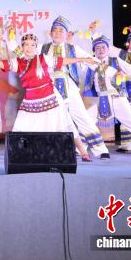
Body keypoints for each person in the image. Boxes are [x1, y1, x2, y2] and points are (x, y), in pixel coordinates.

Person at [0, 30, 95, 161]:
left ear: (36, 47)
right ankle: (20, 158)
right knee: (22, 129)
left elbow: (64, 61)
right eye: (26, 44)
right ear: (22, 47)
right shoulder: (17, 62)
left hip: (50, 98)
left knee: (65, 124)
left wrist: (83, 59)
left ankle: (83, 152)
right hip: (30, 101)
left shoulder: (43, 58)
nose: (29, 48)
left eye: (32, 45)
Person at [41, 16, 110, 159]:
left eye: (61, 30)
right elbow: (24, 54)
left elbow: (91, 60)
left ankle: (100, 149)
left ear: (66, 34)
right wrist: (10, 43)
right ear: (50, 33)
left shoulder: (73, 48)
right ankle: (50, 149)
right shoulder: (42, 48)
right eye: (55, 30)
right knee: (49, 118)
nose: (57, 33)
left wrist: (108, 70)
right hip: (48, 86)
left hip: (68, 85)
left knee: (81, 116)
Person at [82, 35, 131, 156]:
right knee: (87, 121)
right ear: (94, 50)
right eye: (97, 48)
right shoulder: (89, 63)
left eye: (103, 47)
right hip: (99, 99)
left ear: (108, 49)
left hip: (118, 97)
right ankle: (79, 149)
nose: (101, 50)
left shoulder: (116, 61)